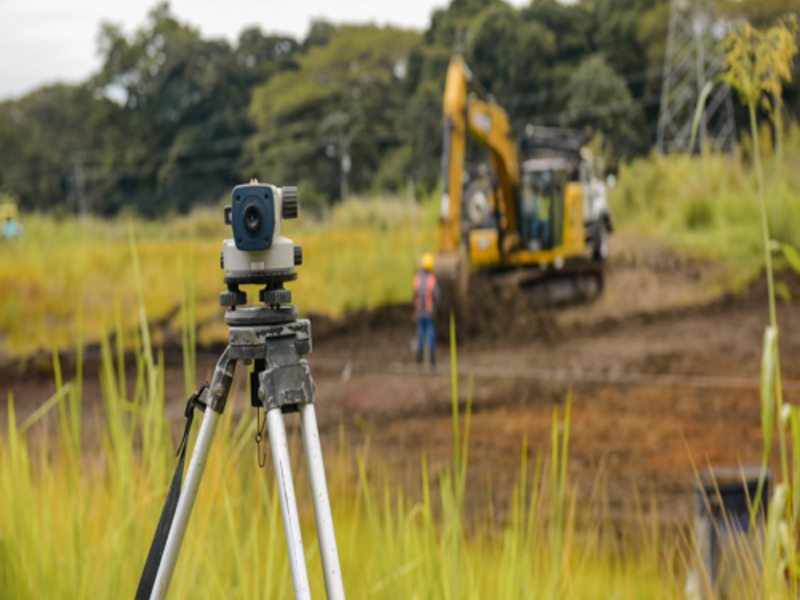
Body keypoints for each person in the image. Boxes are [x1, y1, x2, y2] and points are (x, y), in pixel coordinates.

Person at [413, 253, 440, 370]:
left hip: (419, 313)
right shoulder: (432, 280)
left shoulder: (417, 279)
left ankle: (418, 364)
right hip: (429, 313)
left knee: (419, 337)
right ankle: (432, 365)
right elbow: (437, 295)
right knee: (430, 336)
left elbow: (413, 295)